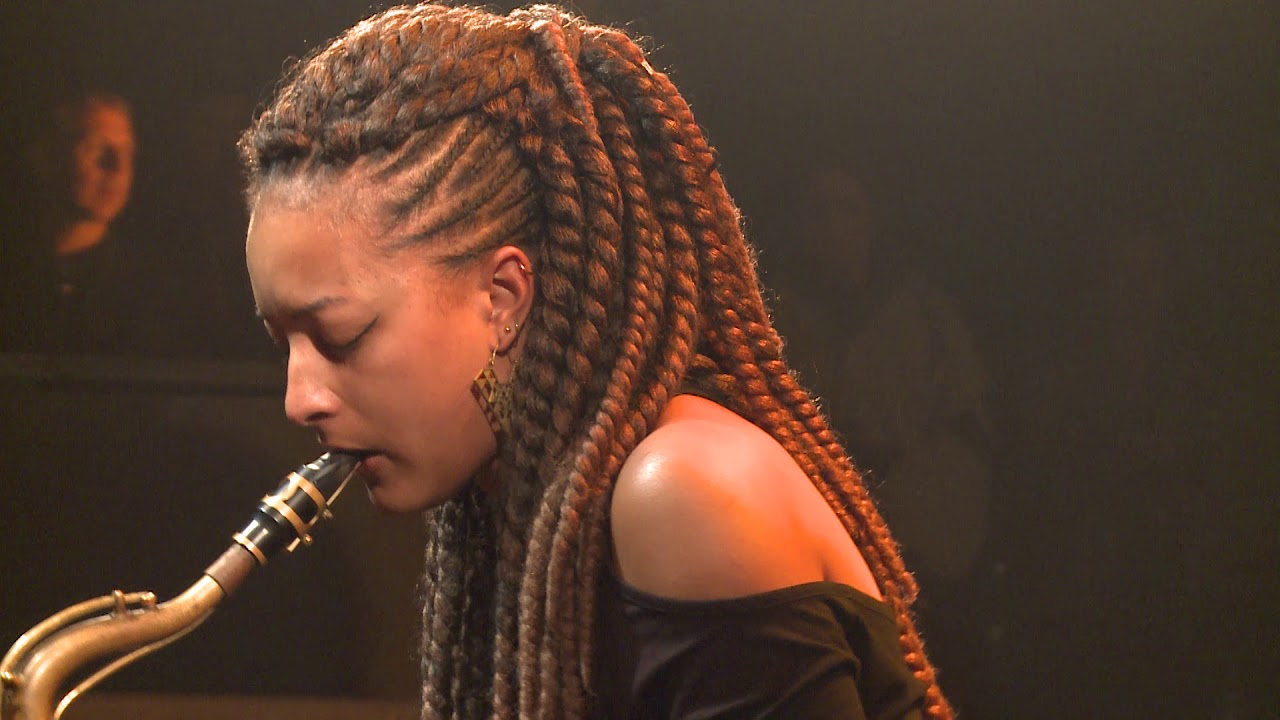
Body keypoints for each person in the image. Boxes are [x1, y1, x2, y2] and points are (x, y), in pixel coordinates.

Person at [238, 4, 951, 718]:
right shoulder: (536, 494)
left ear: (503, 297)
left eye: (341, 336)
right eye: (283, 344)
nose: (300, 400)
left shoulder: (685, 490)